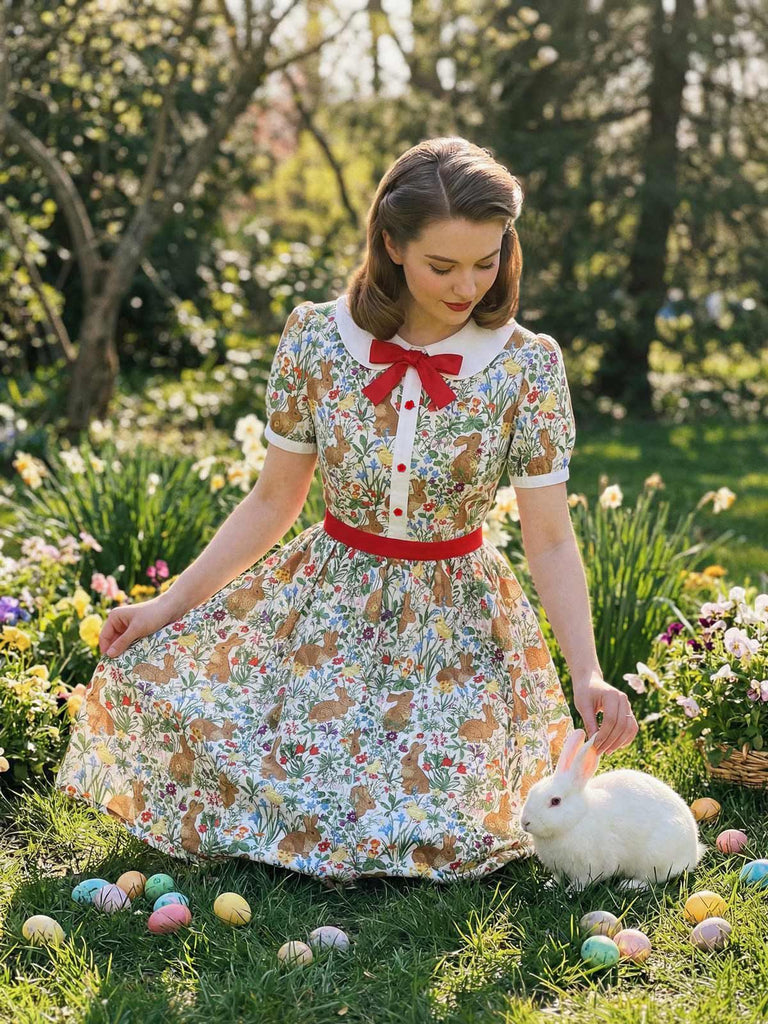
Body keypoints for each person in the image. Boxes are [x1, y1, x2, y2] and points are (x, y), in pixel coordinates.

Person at [55, 136, 639, 885]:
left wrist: (586, 672)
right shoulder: (317, 338)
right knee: (229, 736)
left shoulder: (527, 364)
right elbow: (274, 498)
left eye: (487, 260)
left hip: (456, 625)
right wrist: (167, 606)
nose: (468, 284)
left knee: (442, 830)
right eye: (443, 265)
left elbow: (551, 540)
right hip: (327, 610)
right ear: (391, 243)